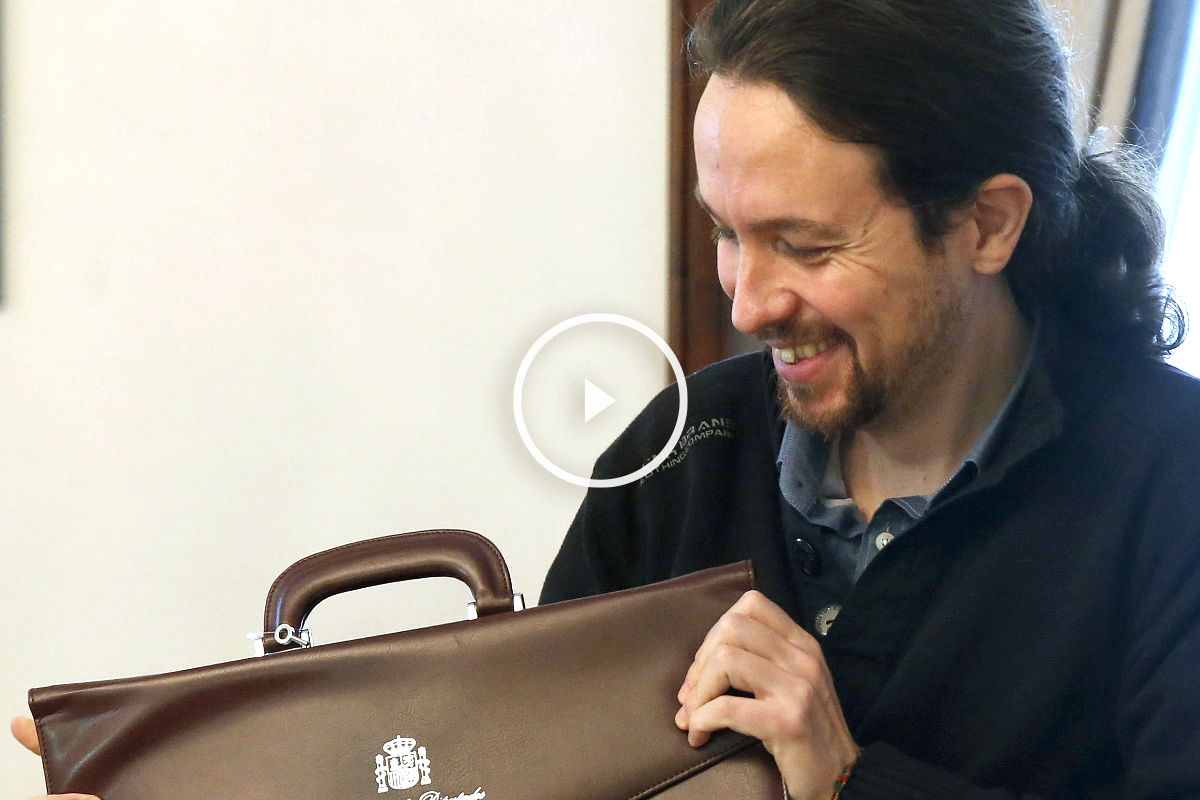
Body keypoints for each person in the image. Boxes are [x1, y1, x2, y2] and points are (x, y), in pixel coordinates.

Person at [540, 0, 1200, 799]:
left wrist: (847, 779)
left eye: (806, 246)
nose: (747, 308)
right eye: (725, 233)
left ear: (988, 224)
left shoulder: (1172, 488)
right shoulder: (682, 452)